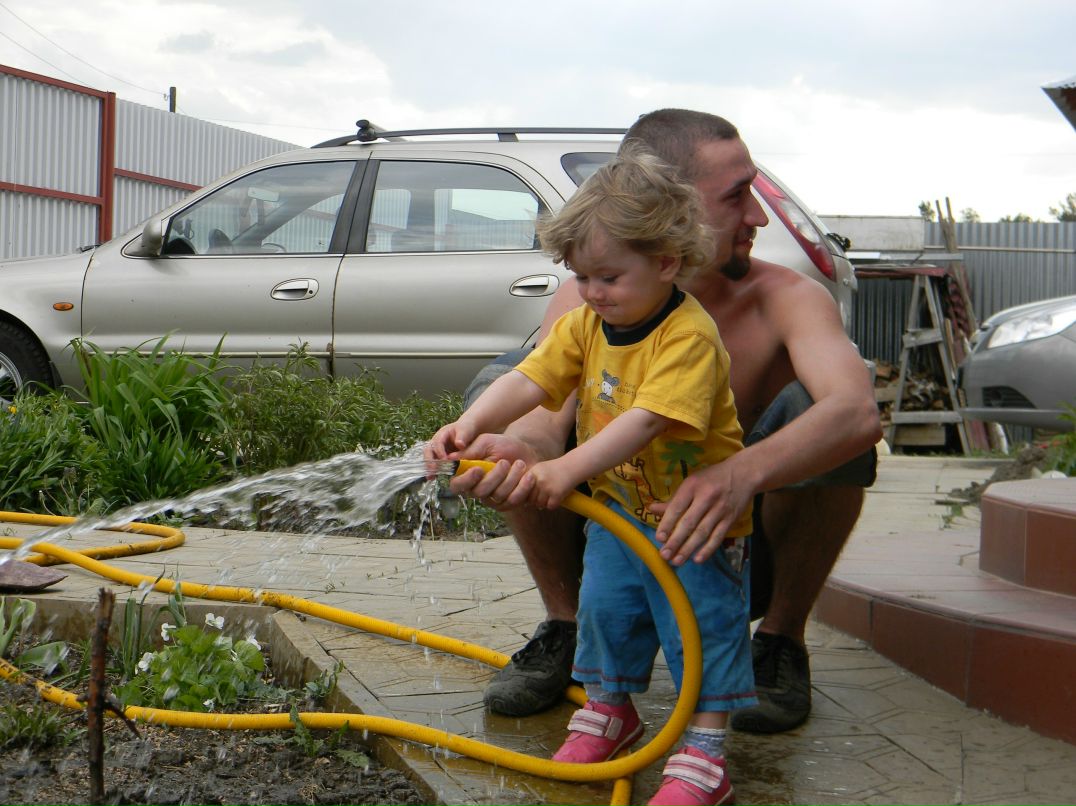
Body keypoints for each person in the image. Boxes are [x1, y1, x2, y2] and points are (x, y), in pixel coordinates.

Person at [450, 109, 882, 736]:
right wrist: (518, 452)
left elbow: (856, 413)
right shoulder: (588, 300)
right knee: (501, 385)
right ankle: (567, 626)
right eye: (738, 196)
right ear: (666, 199)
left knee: (827, 422)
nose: (759, 217)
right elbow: (543, 415)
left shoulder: (787, 298)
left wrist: (738, 475)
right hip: (616, 533)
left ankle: (779, 642)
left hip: (731, 548)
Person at [429, 144, 752, 805]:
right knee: (605, 612)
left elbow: (646, 422)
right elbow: (530, 379)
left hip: (692, 522)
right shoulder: (586, 324)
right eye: (581, 277)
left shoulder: (687, 336)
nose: (593, 292)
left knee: (700, 624)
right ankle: (610, 710)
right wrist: (469, 424)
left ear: (666, 262)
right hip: (618, 511)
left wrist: (564, 470)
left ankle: (705, 750)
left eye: (608, 277)